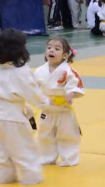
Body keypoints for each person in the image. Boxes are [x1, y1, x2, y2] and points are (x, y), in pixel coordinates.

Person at [0, 29, 49, 185]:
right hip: (13, 116)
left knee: (2, 151)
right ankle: (31, 179)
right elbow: (33, 94)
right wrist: (46, 103)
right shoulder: (21, 72)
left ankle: (5, 178)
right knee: (24, 149)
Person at [34, 36, 85, 167]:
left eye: (57, 49)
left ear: (65, 55)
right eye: (49, 47)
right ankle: (46, 157)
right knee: (45, 135)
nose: (51, 50)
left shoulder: (68, 71)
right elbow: (33, 88)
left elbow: (76, 84)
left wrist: (71, 93)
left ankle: (70, 159)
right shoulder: (39, 71)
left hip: (64, 110)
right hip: (47, 110)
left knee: (67, 135)